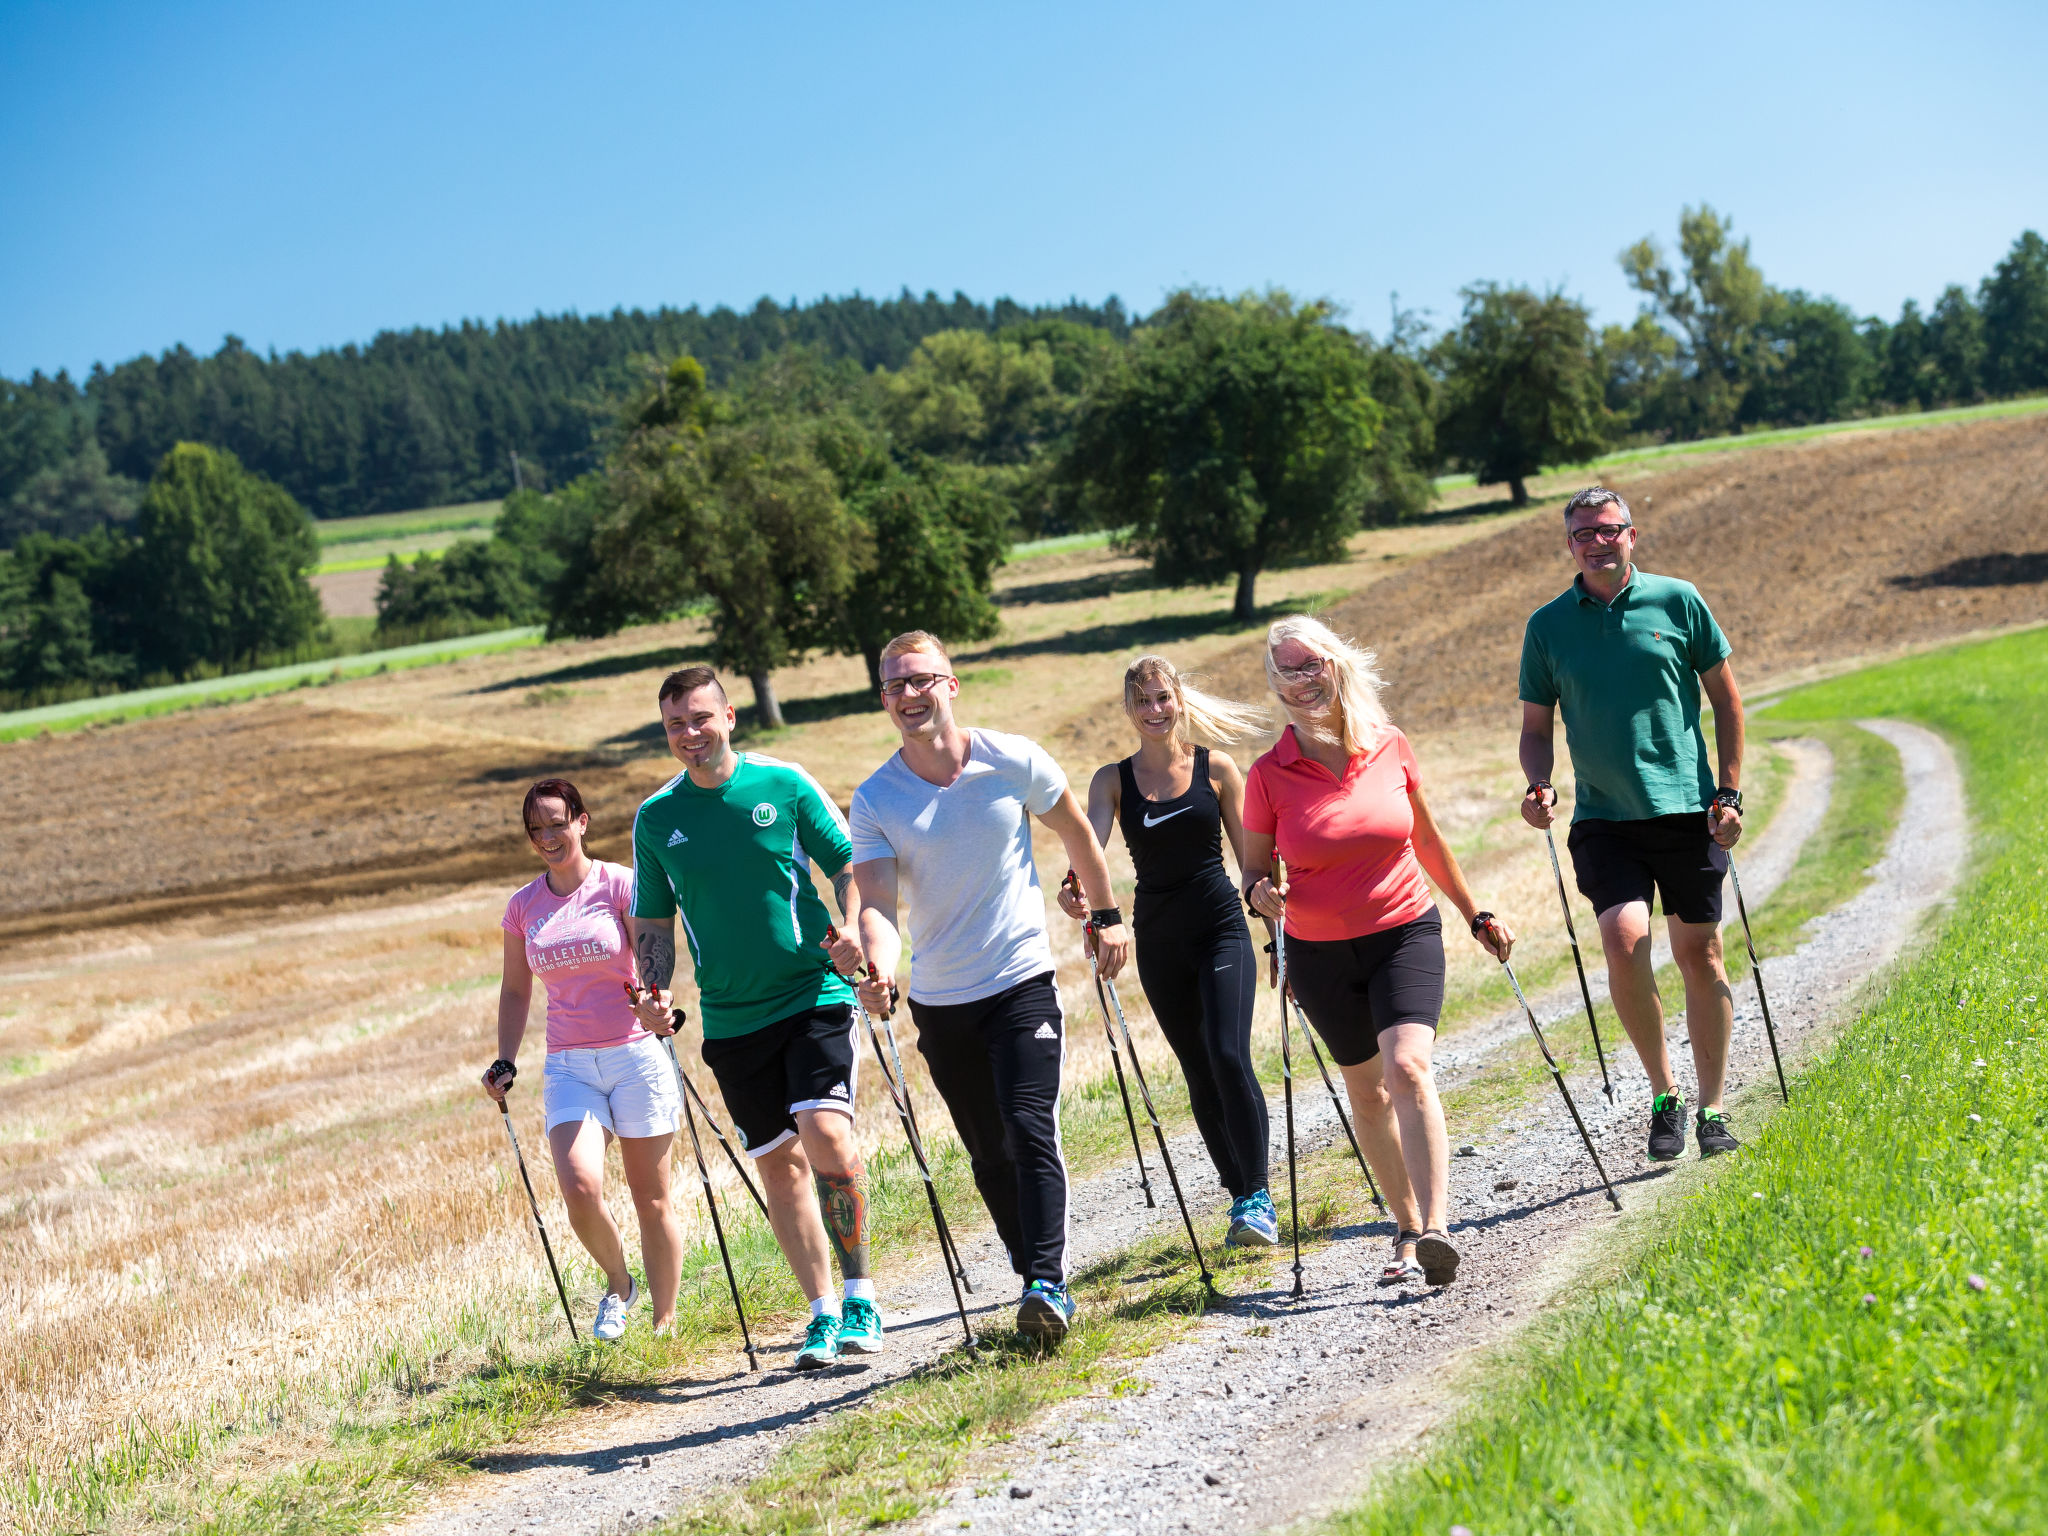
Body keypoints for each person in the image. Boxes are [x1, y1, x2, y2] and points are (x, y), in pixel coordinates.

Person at [849, 631, 1131, 1343]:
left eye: (920, 680)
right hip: (942, 1001)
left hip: (1019, 980)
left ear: (951, 684)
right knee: (987, 1148)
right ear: (884, 700)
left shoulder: (1013, 758)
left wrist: (1108, 916)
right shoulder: (877, 796)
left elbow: (1076, 832)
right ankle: (1030, 1268)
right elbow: (878, 903)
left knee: (1030, 1125)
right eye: (894, 687)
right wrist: (878, 967)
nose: (908, 696)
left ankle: (1046, 1281)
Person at [623, 665, 883, 1371]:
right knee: (780, 1170)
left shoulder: (784, 784)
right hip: (731, 1019)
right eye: (675, 724)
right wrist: (652, 991)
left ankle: (861, 1292)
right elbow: (652, 922)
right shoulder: (658, 817)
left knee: (827, 1137)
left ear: (730, 716)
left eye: (700, 718)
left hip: (812, 993)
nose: (689, 734)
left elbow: (847, 862)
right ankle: (822, 1312)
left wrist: (857, 923)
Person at [1242, 616, 1514, 1287]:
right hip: (1320, 954)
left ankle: (1439, 1229)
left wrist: (1473, 912)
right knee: (1367, 1094)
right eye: (1287, 670)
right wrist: (1260, 895)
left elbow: (1427, 840)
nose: (1301, 680)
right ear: (1273, 682)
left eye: (1311, 664)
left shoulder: (1388, 745)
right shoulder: (1268, 774)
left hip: (1403, 932)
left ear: (1335, 665)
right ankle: (1407, 1225)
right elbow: (1251, 873)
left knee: (1408, 1067)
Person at [1518, 484, 1746, 1162]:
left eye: (1608, 529)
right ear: (1570, 544)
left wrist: (1729, 795)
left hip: (1686, 809)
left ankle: (1712, 1107)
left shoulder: (1678, 601)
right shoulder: (1549, 625)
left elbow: (1728, 705)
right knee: (1623, 941)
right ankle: (1666, 1095)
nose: (1597, 541)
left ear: (1631, 535)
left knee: (1699, 955)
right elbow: (1536, 727)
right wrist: (1538, 784)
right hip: (1604, 818)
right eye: (1583, 532)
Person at [1052, 654, 1279, 1249]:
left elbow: (1250, 858)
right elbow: (1090, 850)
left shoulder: (1217, 769)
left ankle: (1259, 1195)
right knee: (1198, 1068)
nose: (1154, 711)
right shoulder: (1113, 781)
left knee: (1229, 1054)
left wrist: (1266, 900)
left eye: (1163, 698)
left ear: (1179, 700)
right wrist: (1078, 893)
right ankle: (1239, 1199)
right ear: (1129, 710)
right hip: (1160, 939)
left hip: (1221, 926)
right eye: (1142, 702)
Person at [483, 777, 683, 1343]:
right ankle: (621, 1286)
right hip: (570, 1063)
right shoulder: (523, 908)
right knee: (579, 1188)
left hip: (635, 1055)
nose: (547, 836)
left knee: (651, 1196)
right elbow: (516, 990)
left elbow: (653, 954)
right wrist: (504, 1059)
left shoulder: (620, 884)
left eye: (556, 823)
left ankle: (665, 1325)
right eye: (536, 829)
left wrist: (655, 1001)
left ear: (582, 821)